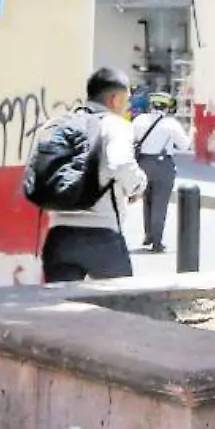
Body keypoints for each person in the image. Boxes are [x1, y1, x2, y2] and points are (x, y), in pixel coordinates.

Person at [40, 68, 147, 282]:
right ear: (115, 99)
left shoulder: (58, 125)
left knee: (63, 310)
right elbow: (121, 162)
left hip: (58, 237)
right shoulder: (115, 126)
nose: (128, 106)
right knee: (121, 308)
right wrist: (138, 185)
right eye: (127, 100)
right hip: (102, 236)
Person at [130, 93, 189, 254]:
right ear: (167, 106)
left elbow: (130, 140)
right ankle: (157, 241)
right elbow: (184, 145)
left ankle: (148, 234)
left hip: (142, 163)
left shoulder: (139, 120)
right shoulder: (170, 123)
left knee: (147, 200)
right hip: (163, 164)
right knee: (160, 202)